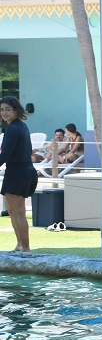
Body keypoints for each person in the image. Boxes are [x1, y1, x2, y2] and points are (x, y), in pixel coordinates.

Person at [0, 96, 39, 252]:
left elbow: (4, 155)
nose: (4, 113)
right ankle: (20, 245)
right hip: (24, 171)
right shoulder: (21, 126)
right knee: (13, 211)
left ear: (16, 111)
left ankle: (26, 248)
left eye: (8, 109)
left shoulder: (13, 129)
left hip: (18, 172)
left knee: (19, 212)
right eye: (2, 109)